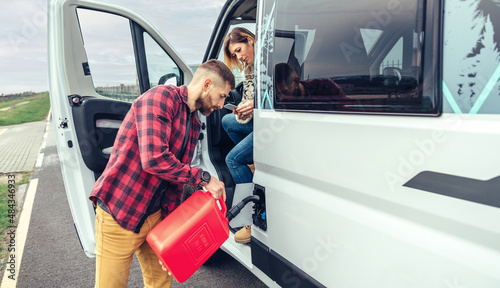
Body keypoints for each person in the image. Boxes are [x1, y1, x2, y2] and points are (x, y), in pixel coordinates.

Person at [89, 59, 234, 288]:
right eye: (223, 95)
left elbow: (175, 180)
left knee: (160, 284)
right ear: (207, 84)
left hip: (155, 216)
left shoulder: (194, 123)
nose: (221, 104)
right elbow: (155, 160)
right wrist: (204, 178)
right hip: (120, 212)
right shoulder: (160, 98)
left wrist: (171, 234)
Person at [221, 27, 256, 244]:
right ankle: (253, 164)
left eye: (239, 49)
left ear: (250, 40)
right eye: (235, 54)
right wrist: (243, 108)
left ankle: (252, 220)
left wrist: (256, 107)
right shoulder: (249, 70)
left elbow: (278, 99)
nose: (239, 56)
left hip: (273, 124)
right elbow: (250, 99)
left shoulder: (270, 65)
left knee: (233, 159)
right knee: (227, 121)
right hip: (259, 121)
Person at [274, 62, 345, 101]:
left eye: (285, 92)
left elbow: (348, 108)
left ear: (296, 82)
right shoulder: (277, 104)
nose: (281, 97)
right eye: (278, 94)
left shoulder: (325, 87)